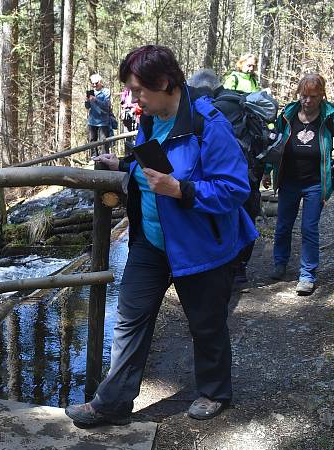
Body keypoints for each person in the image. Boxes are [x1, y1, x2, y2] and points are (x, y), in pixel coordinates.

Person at [65, 45, 257, 426]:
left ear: (165, 83)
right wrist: (122, 164)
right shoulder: (150, 118)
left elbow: (236, 188)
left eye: (138, 90)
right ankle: (113, 403)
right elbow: (155, 160)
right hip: (151, 242)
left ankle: (214, 392)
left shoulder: (208, 125)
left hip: (201, 247)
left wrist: (182, 190)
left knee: (206, 324)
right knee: (129, 320)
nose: (133, 99)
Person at [262, 74, 334, 295]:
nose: (307, 101)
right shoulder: (288, 114)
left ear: (322, 95)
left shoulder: (330, 116)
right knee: (283, 225)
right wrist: (268, 170)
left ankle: (307, 275)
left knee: (309, 228)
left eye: (313, 96)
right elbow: (274, 142)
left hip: (316, 182)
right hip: (288, 180)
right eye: (304, 96)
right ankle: (280, 264)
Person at [189, 67, 263, 286]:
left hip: (226, 175)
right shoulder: (237, 102)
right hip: (249, 171)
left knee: (227, 217)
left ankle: (229, 267)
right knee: (247, 214)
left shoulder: (209, 110)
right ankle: (240, 267)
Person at [85, 73, 114, 157]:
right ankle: (94, 157)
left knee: (104, 141)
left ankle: (105, 158)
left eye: (96, 83)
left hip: (103, 121)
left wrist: (96, 100)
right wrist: (87, 101)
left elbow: (106, 106)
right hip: (92, 120)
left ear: (100, 82)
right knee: (92, 140)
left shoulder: (106, 92)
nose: (94, 85)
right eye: (92, 83)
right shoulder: (91, 92)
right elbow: (87, 107)